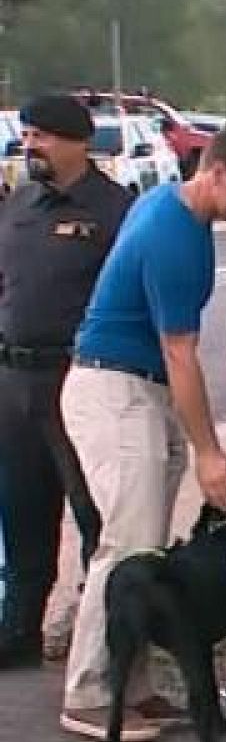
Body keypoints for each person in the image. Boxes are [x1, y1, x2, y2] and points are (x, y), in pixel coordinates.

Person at [57, 121, 226, 742]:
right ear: (216, 170)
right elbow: (182, 351)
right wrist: (209, 453)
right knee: (127, 545)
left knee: (148, 548)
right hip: (114, 390)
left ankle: (133, 688)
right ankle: (89, 692)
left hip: (141, 387)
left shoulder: (171, 210)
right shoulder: (173, 233)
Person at [0, 94, 133, 670]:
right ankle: (19, 631)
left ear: (79, 142)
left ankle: (101, 637)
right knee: (22, 509)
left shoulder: (113, 209)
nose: (31, 146)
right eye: (27, 135)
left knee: (92, 510)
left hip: (78, 378)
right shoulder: (19, 203)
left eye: (43, 136)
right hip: (14, 377)